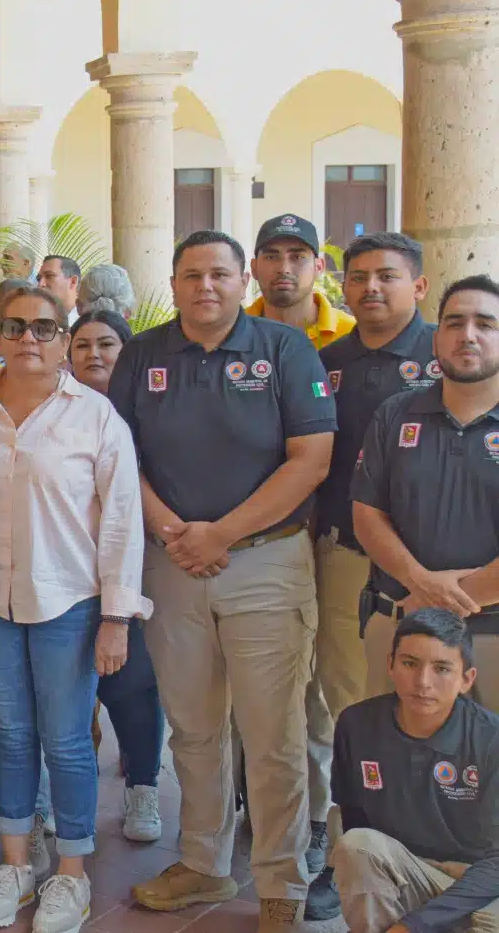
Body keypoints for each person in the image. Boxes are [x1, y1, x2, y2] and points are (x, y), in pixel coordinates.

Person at [112, 231, 336, 932]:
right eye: (190, 275)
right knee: (195, 727)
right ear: (173, 284)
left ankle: (281, 882)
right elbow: (119, 458)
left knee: (274, 735)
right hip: (172, 562)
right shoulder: (144, 355)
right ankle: (205, 864)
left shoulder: (284, 350)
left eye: (219, 274)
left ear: (244, 281)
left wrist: (222, 533)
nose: (204, 287)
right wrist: (178, 532)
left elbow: (311, 460)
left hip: (266, 562)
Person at [0, 288, 148, 933]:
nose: (28, 338)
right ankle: (14, 863)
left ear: (64, 339)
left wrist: (116, 616)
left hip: (68, 600)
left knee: (65, 742)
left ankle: (71, 873)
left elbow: (121, 522)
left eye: (44, 327)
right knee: (9, 736)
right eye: (14, 326)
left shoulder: (95, 417)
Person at [354, 274, 499, 711]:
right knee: (391, 769)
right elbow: (366, 514)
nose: (467, 335)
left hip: (491, 637)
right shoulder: (395, 413)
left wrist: (443, 601)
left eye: (485, 324)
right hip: (399, 626)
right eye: (453, 323)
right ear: (436, 339)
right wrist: (420, 584)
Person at [316, 234, 434, 728]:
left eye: (388, 276)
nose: (371, 288)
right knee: (344, 690)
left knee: (427, 692)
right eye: (359, 277)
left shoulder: (448, 356)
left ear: (419, 285)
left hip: (429, 562)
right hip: (345, 552)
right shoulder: (327, 362)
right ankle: (352, 803)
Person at [330, 608, 499, 933]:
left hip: (475, 879)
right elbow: (354, 816)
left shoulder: (490, 740)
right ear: (390, 664)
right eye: (410, 663)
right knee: (356, 846)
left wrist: (411, 926)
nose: (423, 682)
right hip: (406, 870)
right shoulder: (356, 725)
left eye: (442, 669)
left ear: (467, 679)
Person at [68, 311, 166, 845]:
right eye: (82, 344)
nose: (94, 354)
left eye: (106, 344)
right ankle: (69, 795)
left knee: (131, 682)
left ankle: (143, 786)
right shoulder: (53, 411)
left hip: (137, 568)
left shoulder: (147, 411)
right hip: (69, 575)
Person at [249, 215, 355, 349]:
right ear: (254, 268)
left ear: (319, 267)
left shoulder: (351, 333)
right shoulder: (232, 331)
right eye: (272, 257)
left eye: (298, 257)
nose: (284, 269)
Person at [37, 257, 82, 325]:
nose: (40, 284)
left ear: (73, 282)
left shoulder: (88, 324)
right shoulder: (38, 317)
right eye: (39, 279)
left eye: (49, 276)